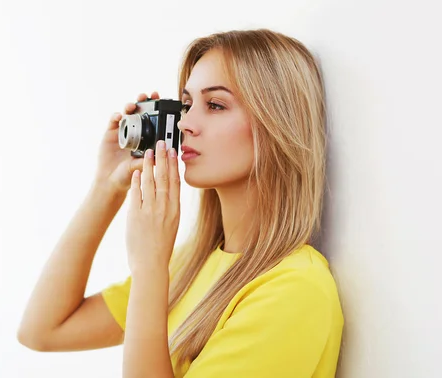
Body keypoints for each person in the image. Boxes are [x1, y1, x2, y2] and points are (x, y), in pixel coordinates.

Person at [17, 28, 344, 378]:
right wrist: (106, 187)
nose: (185, 124)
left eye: (215, 105)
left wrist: (149, 266)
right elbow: (43, 330)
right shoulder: (192, 262)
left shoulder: (292, 291)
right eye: (186, 105)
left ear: (278, 122)